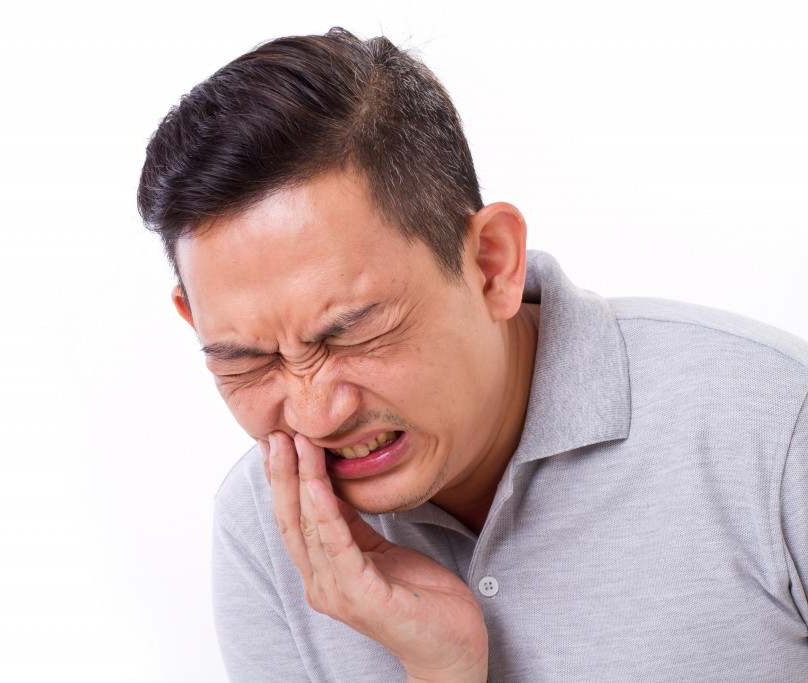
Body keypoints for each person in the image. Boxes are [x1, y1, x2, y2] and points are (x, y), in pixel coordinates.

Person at [137, 28, 808, 682]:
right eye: (248, 360)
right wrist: (440, 670)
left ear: (492, 264)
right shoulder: (265, 530)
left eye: (352, 333)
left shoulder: (774, 431)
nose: (315, 415)